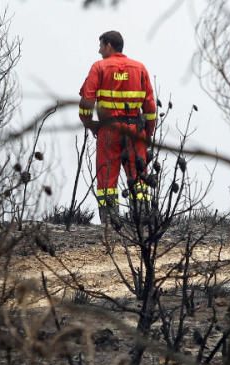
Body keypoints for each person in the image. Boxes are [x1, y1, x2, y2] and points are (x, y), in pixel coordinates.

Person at [78, 30, 157, 226]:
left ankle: (110, 224)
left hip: (108, 131)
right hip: (135, 130)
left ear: (109, 46)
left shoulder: (99, 67)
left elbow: (86, 102)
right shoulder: (140, 68)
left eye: (101, 46)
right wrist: (147, 133)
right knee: (138, 177)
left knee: (106, 179)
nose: (99, 51)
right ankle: (141, 222)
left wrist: (90, 125)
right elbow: (150, 108)